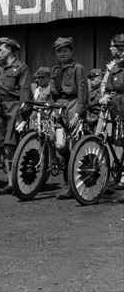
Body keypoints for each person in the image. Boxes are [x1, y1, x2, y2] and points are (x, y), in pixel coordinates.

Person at [0, 38, 32, 195]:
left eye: (1, 50)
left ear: (10, 50)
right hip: (0, 108)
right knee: (2, 147)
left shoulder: (21, 68)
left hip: (14, 107)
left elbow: (25, 91)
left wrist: (23, 112)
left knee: (10, 145)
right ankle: (10, 182)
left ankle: (16, 182)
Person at [49, 37, 88, 199]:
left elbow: (82, 91)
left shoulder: (78, 68)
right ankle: (69, 182)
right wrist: (52, 108)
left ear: (71, 51)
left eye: (65, 51)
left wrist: (78, 113)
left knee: (74, 148)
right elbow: (52, 91)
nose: (62, 54)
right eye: (59, 51)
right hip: (59, 106)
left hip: (73, 105)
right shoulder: (55, 69)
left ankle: (73, 187)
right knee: (60, 145)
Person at [100, 34, 124, 191]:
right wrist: (106, 97)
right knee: (118, 142)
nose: (110, 48)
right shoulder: (115, 68)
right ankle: (119, 175)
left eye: (112, 46)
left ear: (120, 48)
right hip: (117, 112)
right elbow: (108, 89)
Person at [86, 68, 104, 133]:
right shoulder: (87, 87)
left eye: (93, 79)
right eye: (90, 79)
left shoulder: (105, 89)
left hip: (101, 116)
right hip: (89, 116)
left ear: (100, 79)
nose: (91, 81)